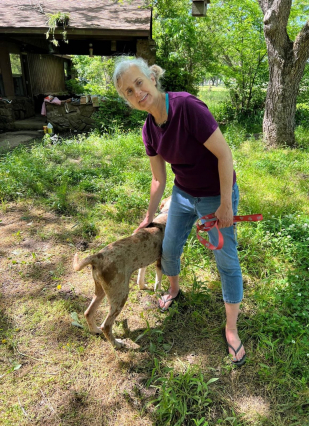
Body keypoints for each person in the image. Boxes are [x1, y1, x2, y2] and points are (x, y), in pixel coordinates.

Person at [112, 57, 246, 366]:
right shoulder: (149, 129)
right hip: (184, 194)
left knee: (226, 261)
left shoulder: (187, 108)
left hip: (215, 194)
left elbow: (224, 155)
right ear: (128, 100)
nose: (137, 92)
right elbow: (159, 179)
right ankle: (173, 290)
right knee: (169, 247)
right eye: (129, 91)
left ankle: (231, 328)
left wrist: (226, 203)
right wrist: (148, 217)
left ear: (152, 79)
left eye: (139, 83)